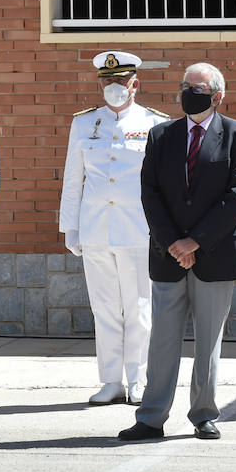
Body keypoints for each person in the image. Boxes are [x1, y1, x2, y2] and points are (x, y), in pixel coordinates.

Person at [119, 62, 236, 442]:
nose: (189, 92)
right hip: (168, 254)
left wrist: (196, 241)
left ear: (218, 96)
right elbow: (150, 193)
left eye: (198, 87)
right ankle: (151, 417)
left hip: (216, 253)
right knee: (162, 340)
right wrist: (174, 243)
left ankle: (204, 414)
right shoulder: (162, 135)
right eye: (185, 85)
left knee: (208, 341)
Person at [59, 50, 168, 406]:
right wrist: (70, 227)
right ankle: (110, 381)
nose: (113, 87)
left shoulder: (153, 123)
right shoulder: (84, 124)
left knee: (139, 307)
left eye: (120, 81)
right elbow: (74, 179)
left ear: (135, 84)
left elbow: (161, 184)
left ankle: (138, 379)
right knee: (104, 307)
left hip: (137, 230)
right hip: (95, 229)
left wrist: (162, 231)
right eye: (107, 81)